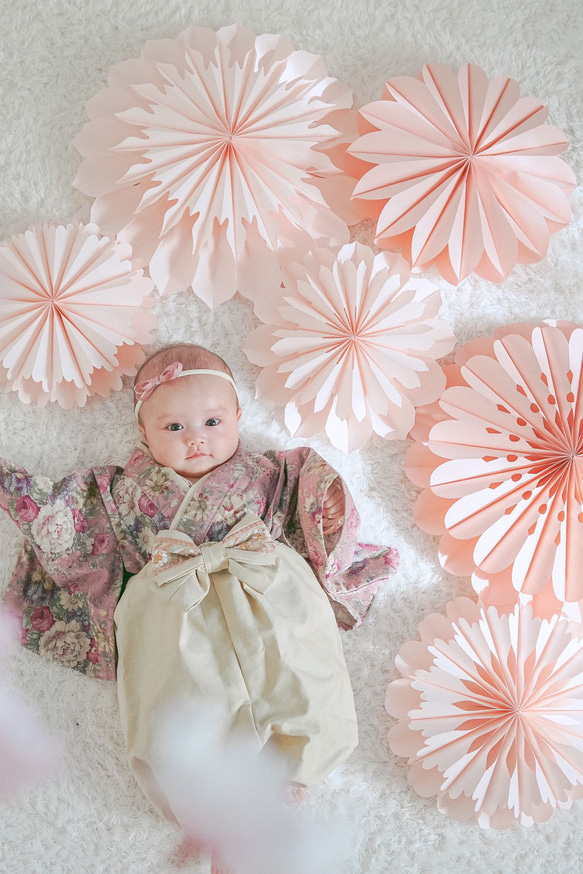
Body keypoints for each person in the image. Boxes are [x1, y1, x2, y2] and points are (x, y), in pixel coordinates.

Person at [0, 343, 399, 821]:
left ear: (237, 415)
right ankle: (205, 791)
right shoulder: (119, 492)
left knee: (298, 664)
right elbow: (68, 517)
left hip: (266, 584)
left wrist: (327, 508)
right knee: (179, 694)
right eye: (174, 427)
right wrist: (14, 488)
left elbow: (307, 495)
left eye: (213, 423)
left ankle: (296, 765)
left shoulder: (271, 473)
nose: (197, 440)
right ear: (142, 433)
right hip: (174, 601)